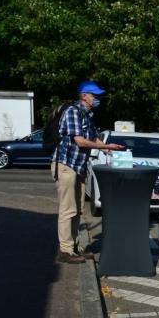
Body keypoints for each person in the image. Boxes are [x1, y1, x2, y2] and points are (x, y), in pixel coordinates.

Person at [53, 80, 124, 264]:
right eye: (94, 95)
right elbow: (81, 141)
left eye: (97, 95)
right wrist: (105, 146)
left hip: (79, 166)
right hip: (66, 164)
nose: (97, 99)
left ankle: (76, 248)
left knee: (77, 209)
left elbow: (92, 140)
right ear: (83, 95)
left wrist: (109, 148)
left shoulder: (88, 115)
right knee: (67, 209)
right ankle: (65, 251)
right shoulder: (73, 112)